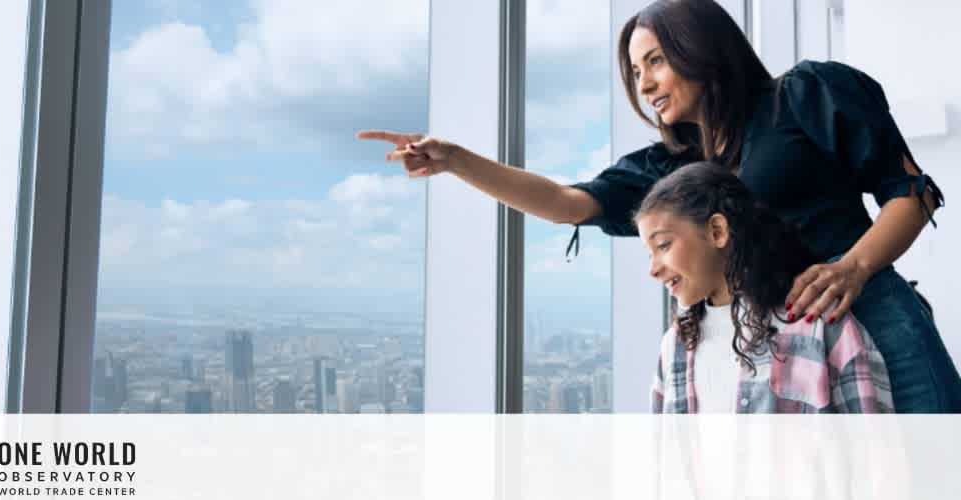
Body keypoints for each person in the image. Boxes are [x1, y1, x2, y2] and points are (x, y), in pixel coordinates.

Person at [358, 0, 961, 412]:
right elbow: (570, 203)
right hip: (783, 349)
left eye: (655, 61)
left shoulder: (805, 94)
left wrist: (850, 267)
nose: (642, 83)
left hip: (877, 318)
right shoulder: (677, 167)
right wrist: (457, 160)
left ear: (701, 49)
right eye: (633, 69)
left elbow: (911, 192)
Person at [636, 162, 892, 413]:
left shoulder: (817, 323)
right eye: (649, 254)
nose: (653, 269)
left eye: (663, 245)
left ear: (717, 231)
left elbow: (872, 444)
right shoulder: (674, 346)